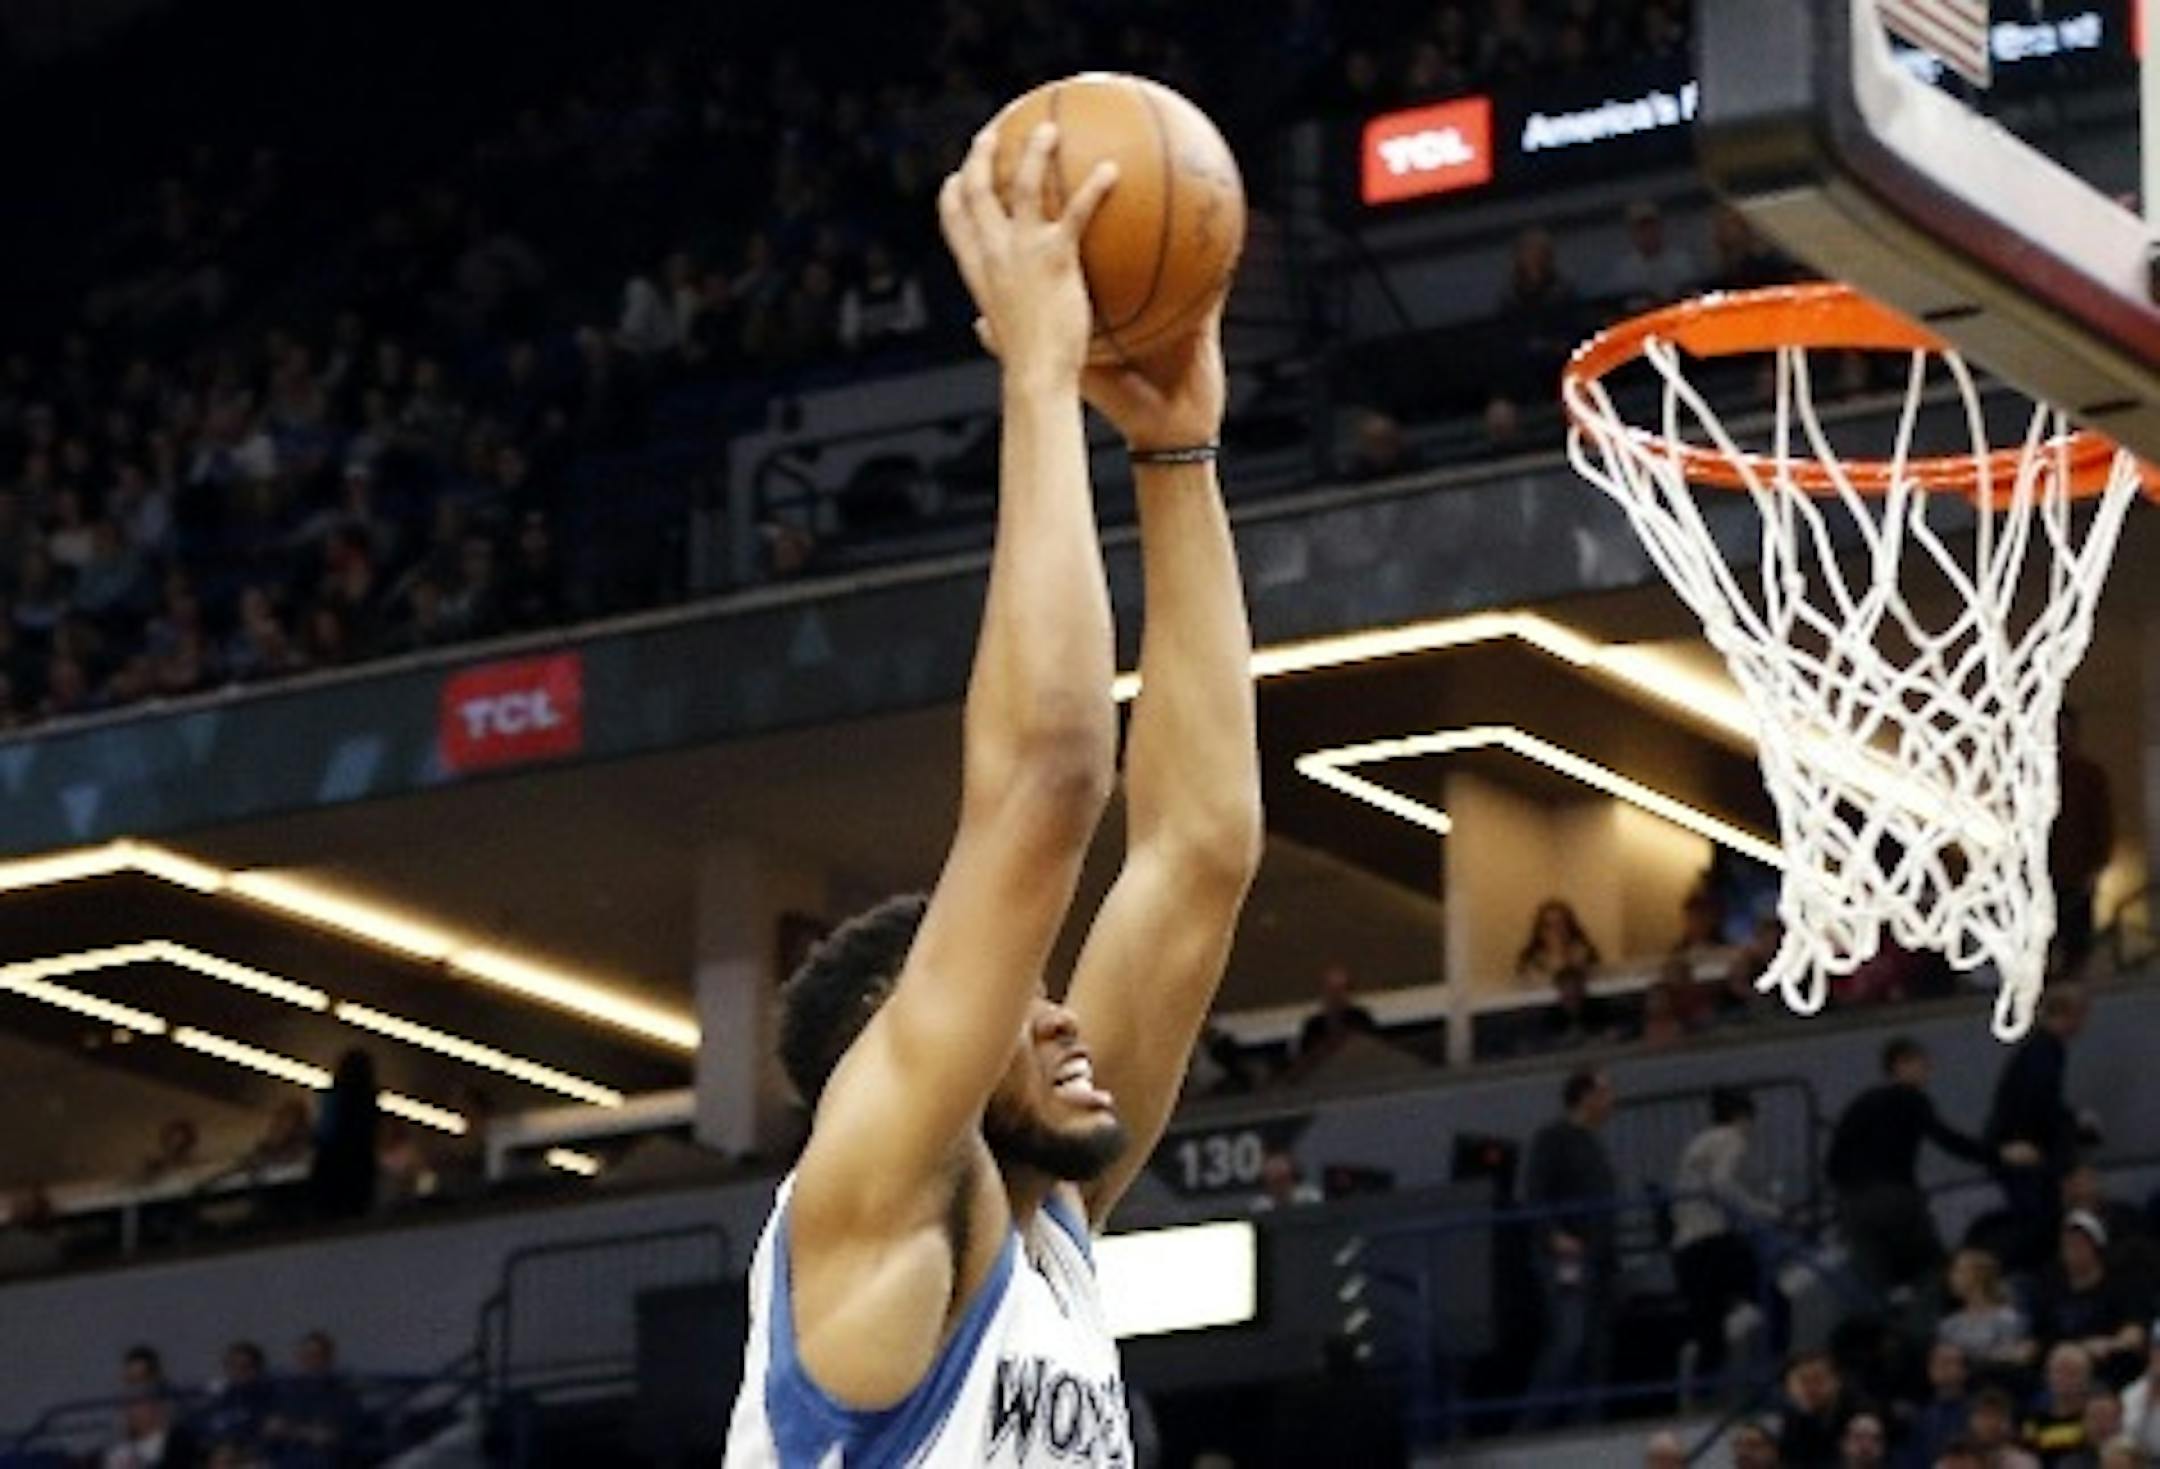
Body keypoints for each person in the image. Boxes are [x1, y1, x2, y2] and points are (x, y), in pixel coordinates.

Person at [724, 123, 1263, 1466]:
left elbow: (1199, 851)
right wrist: (1036, 372)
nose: (1065, 1010)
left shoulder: (1048, 1237)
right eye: (1017, 1000)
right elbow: (1047, 785)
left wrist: (1179, 455)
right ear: (907, 1049)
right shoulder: (878, 1207)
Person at [1827, 1038, 2017, 1295]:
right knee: (1930, 1268)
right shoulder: (1912, 1101)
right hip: (1896, 1198)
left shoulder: (1861, 1103)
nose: (1928, 1071)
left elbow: (1835, 1158)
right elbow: (1948, 1139)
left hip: (1855, 1205)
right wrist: (1998, 1155)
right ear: (1901, 1065)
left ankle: (1883, 1327)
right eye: (1923, 1065)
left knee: (1872, 1279)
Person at [1521, 1067, 1620, 1427]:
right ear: (1586, 1097)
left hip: (1597, 1258)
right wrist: (1553, 1235)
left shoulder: (1592, 1143)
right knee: (1570, 1339)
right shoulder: (1553, 1138)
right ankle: (1531, 1425)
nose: (1612, 1101)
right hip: (1567, 1257)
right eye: (1605, 1093)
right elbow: (1533, 1192)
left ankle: (1587, 1424)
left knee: (1596, 1348)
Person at [1673, 1089, 1784, 1382]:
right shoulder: (1730, 1138)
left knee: (1710, 1335)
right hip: (1713, 1242)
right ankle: (1775, 1375)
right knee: (1777, 1303)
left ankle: (1698, 1399)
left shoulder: (1698, 1144)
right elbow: (1721, 1183)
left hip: (1687, 1247)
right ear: (1742, 1117)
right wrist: (1761, 1211)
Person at [1987, 988, 2090, 1271]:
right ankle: (1998, 1270)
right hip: (2022, 1148)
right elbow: (2038, 1103)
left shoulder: (2039, 1050)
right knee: (2039, 1223)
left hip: (2018, 1144)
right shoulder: (2045, 1051)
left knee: (2040, 1221)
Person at [2031, 1213, 2150, 1390]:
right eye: (2068, 1243)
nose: (2073, 1249)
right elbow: (2039, 1340)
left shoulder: (2121, 1286)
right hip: (2058, 1373)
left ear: (2096, 1247)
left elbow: (2134, 1334)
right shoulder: (2050, 1289)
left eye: (2080, 1243)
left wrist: (2111, 1344)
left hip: (2106, 1372)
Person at [2049, 708, 2113, 978]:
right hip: (2046, 875)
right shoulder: (2039, 775)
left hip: (2076, 873)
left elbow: (2101, 822)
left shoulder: (2088, 776)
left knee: (2077, 941)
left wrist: (2096, 867)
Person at [1939, 1249, 2038, 1374]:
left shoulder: (2007, 1319)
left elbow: (2013, 1358)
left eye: (1959, 1271)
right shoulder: (1949, 1325)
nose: (1951, 1277)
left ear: (1978, 1275)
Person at [309, 1049, 379, 1220]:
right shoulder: (370, 1100)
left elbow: (325, 1132)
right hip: (360, 1166)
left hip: (331, 1164)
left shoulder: (334, 1097)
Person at [1290, 962, 1380, 1079]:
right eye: (1331, 990)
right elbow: (1304, 1062)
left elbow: (1373, 1052)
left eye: (1341, 990)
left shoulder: (1361, 1020)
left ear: (1349, 992)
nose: (1336, 996)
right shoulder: (1313, 1026)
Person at [2026, 1344, 2100, 1465]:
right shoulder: (2034, 1416)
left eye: (2072, 1373)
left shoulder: (2095, 1417)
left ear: (2087, 1379)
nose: (2064, 1379)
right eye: (2058, 1371)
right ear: (2047, 1375)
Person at [1777, 1349, 1850, 1468]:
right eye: (1803, 1381)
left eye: (1818, 1379)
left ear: (1837, 1382)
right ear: (1787, 1386)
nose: (1811, 1388)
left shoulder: (1856, 1420)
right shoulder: (1777, 1426)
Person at [1913, 1344, 1979, 1469]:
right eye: (1935, 1363)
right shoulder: (1922, 1416)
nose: (1940, 1367)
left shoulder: (1976, 1411)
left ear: (1965, 1371)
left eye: (1948, 1362)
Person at [1519, 899, 1600, 985]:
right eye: (1548, 925)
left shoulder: (1585, 954)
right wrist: (1556, 953)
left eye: (1560, 923)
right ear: (1540, 931)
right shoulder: (1531, 961)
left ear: (1570, 926)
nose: (1556, 930)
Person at [1970, 1385, 2044, 1469]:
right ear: (1972, 1421)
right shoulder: (1961, 1460)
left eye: (1995, 1416)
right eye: (1984, 1416)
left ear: (2007, 1422)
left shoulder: (2024, 1461)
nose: (1989, 1423)